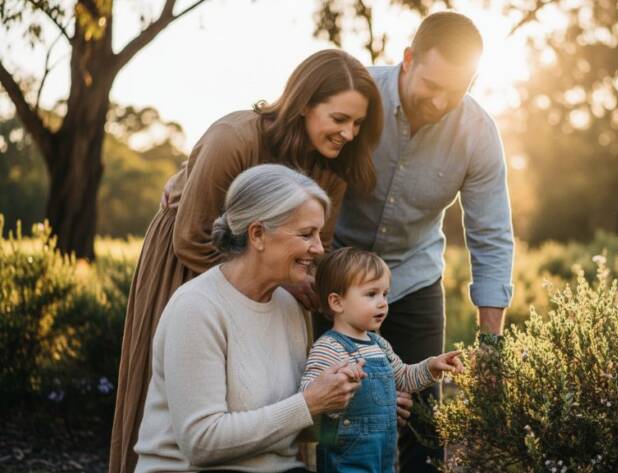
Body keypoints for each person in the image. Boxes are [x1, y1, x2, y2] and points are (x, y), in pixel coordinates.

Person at [110, 49, 384, 473]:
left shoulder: (333, 166)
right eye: (339, 119)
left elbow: (315, 251)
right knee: (186, 394)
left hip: (274, 276)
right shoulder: (235, 138)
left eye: (358, 123)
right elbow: (192, 235)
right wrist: (260, 287)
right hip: (193, 259)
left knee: (264, 391)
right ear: (304, 104)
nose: (349, 133)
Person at [327, 11, 515, 471]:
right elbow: (283, 137)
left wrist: (490, 347)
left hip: (411, 279)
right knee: (329, 411)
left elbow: (490, 235)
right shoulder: (357, 93)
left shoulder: (477, 133)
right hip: (329, 275)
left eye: (458, 90)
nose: (441, 101)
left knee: (424, 427)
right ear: (408, 59)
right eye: (433, 84)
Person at [134, 164, 367, 473]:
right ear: (257, 234)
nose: (319, 248)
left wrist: (360, 408)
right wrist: (309, 403)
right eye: (306, 234)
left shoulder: (289, 307)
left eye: (319, 235)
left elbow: (290, 428)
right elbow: (201, 443)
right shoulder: (197, 308)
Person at [301, 247, 463, 473]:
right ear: (338, 302)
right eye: (371, 294)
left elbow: (404, 378)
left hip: (382, 458)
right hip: (345, 460)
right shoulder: (329, 347)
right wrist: (338, 384)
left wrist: (431, 367)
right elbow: (309, 394)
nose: (382, 303)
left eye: (384, 294)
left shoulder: (379, 345)